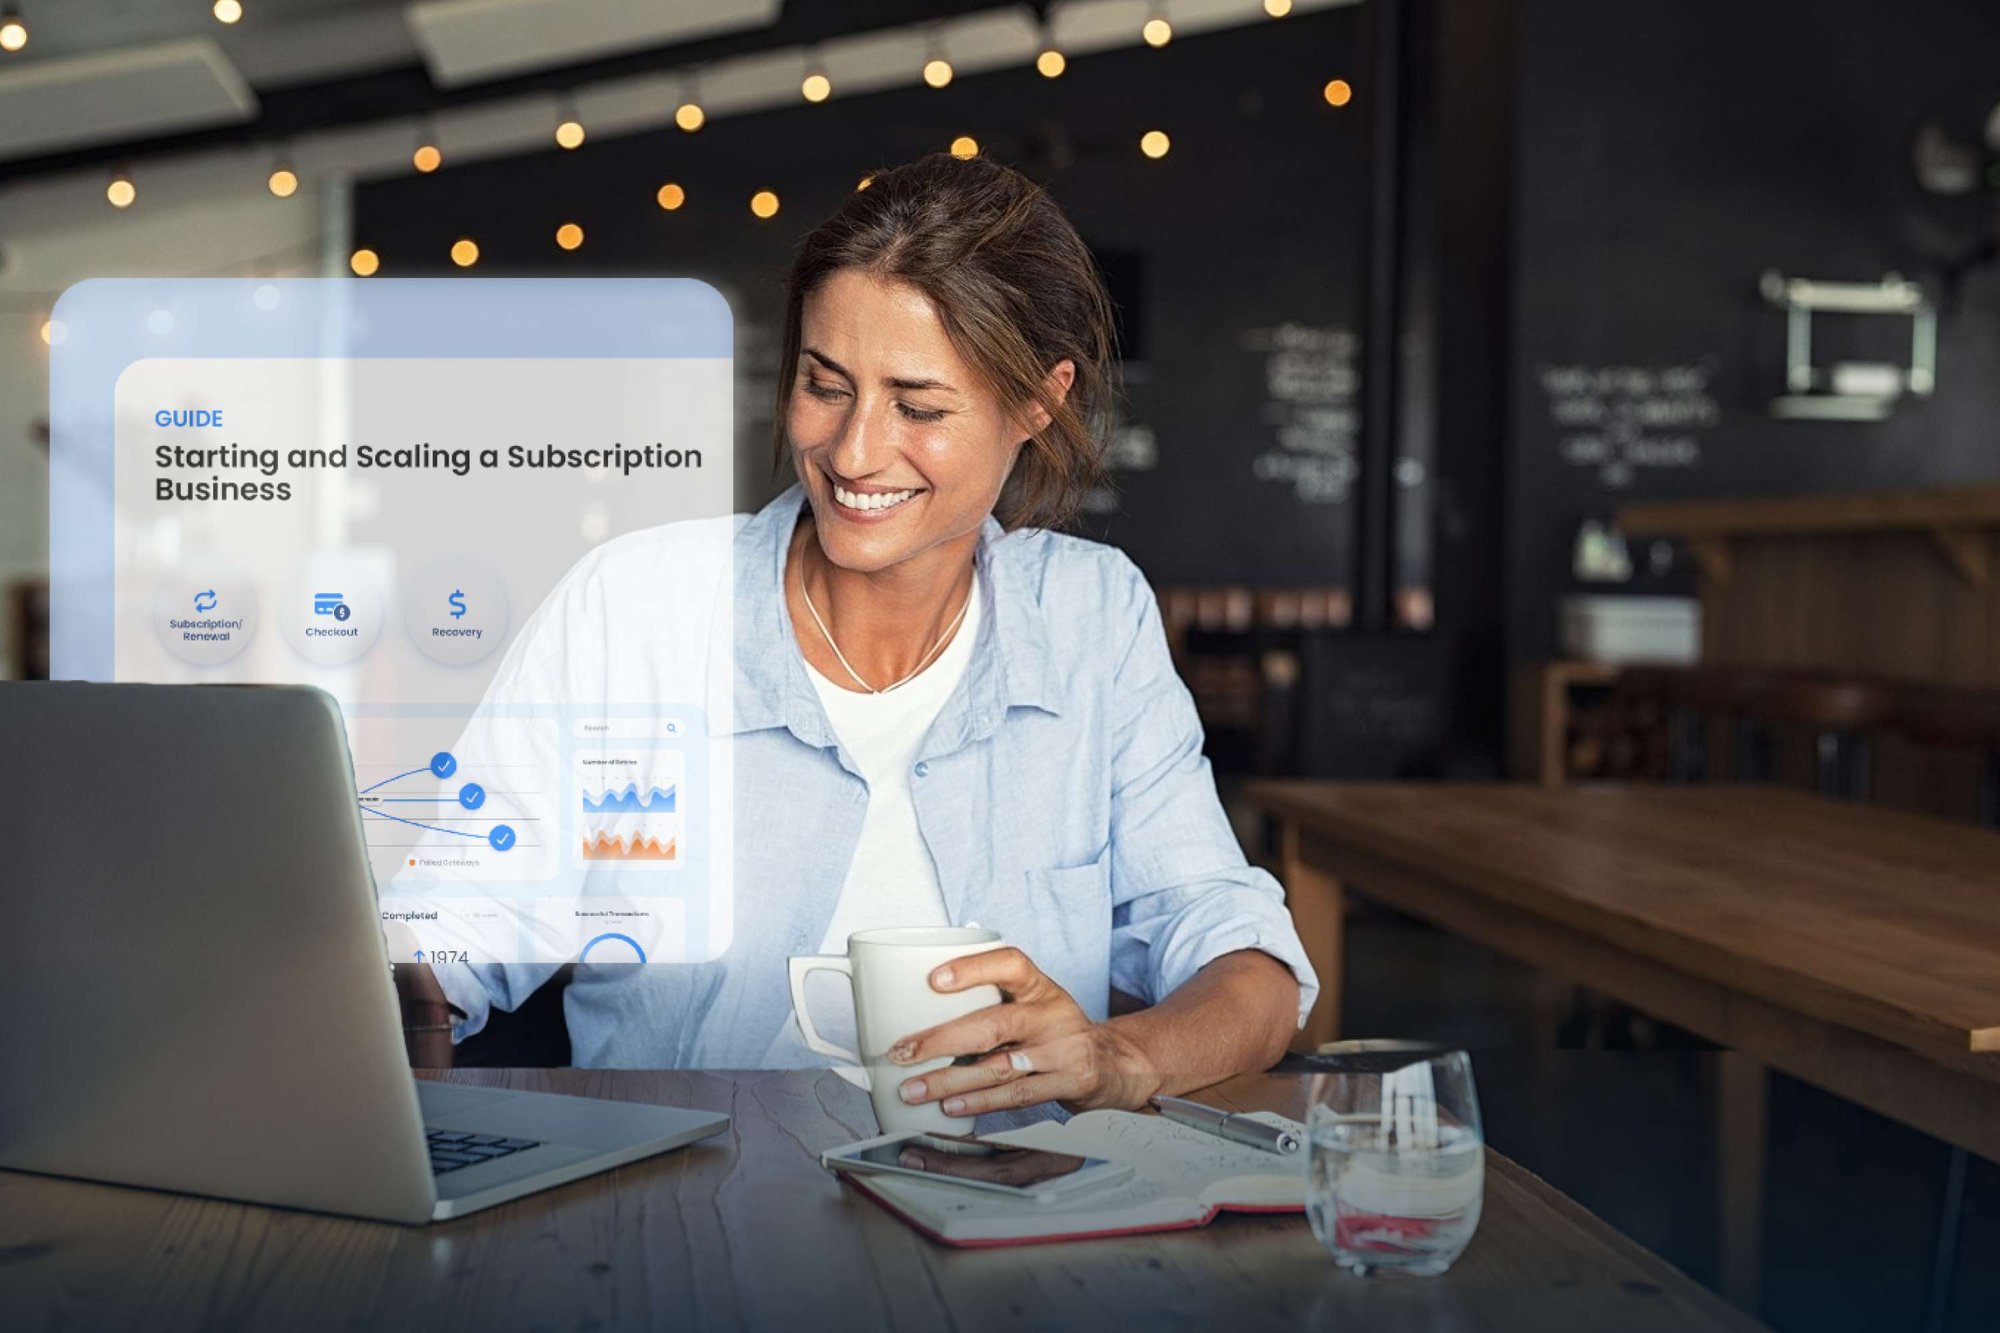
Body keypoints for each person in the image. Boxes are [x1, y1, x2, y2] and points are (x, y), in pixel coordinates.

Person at [401, 153, 1316, 1120]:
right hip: (681, 1224)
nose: (853, 452)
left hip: (1017, 1231)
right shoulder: (637, 607)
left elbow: (1247, 966)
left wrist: (1117, 1056)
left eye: (918, 406)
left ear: (1038, 403)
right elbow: (456, 920)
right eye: (824, 384)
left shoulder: (1093, 619)